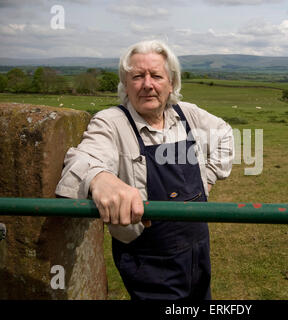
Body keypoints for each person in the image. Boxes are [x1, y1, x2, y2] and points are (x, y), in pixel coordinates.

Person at [55, 40, 234, 300]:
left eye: (156, 76)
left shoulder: (186, 114)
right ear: (125, 85)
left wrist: (207, 178)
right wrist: (101, 178)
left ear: (171, 83)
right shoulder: (112, 122)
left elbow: (225, 135)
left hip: (197, 246)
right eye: (137, 76)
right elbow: (82, 159)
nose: (147, 84)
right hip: (149, 259)